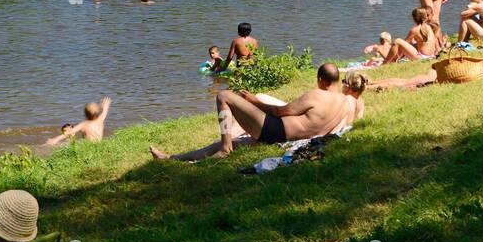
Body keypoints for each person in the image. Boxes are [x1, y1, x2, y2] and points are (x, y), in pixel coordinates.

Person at [151, 72, 367, 161]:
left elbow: (280, 112)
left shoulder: (318, 95)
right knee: (233, 142)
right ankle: (172, 159)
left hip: (275, 130)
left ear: (321, 79)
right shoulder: (349, 105)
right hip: (288, 136)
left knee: (224, 96)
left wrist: (254, 101)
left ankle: (225, 149)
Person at [368, 55, 483, 91]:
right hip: (441, 74)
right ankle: (369, 86)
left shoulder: (479, 63)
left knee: (407, 80)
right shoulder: (482, 64)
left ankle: (372, 83)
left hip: (440, 70)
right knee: (407, 83)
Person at [45, 97, 111, 146]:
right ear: (98, 113)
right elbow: (105, 112)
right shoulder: (100, 120)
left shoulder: (84, 124)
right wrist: (105, 106)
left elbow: (69, 132)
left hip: (88, 148)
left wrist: (55, 139)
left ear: (85, 114)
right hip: (98, 146)